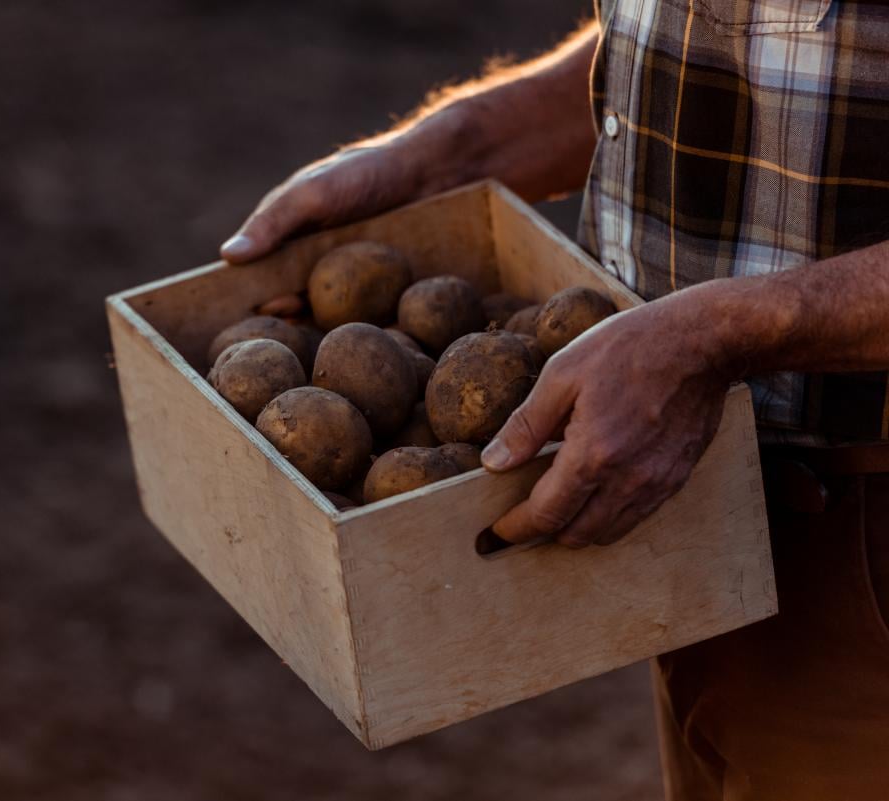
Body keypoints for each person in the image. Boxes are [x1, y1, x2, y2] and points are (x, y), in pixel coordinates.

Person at [220, 3, 889, 799]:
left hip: (865, 544)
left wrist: (717, 334)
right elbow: (698, 66)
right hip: (685, 497)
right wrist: (445, 154)